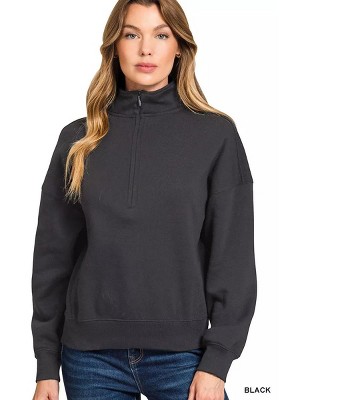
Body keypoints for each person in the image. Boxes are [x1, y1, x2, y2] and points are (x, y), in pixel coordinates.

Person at [31, 1, 257, 399]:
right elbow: (52, 258)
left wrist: (218, 360)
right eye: (132, 34)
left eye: (161, 35)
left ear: (179, 48)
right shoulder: (78, 140)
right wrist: (46, 365)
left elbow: (232, 257)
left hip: (185, 358)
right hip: (90, 360)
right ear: (114, 46)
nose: (146, 49)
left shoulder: (216, 136)